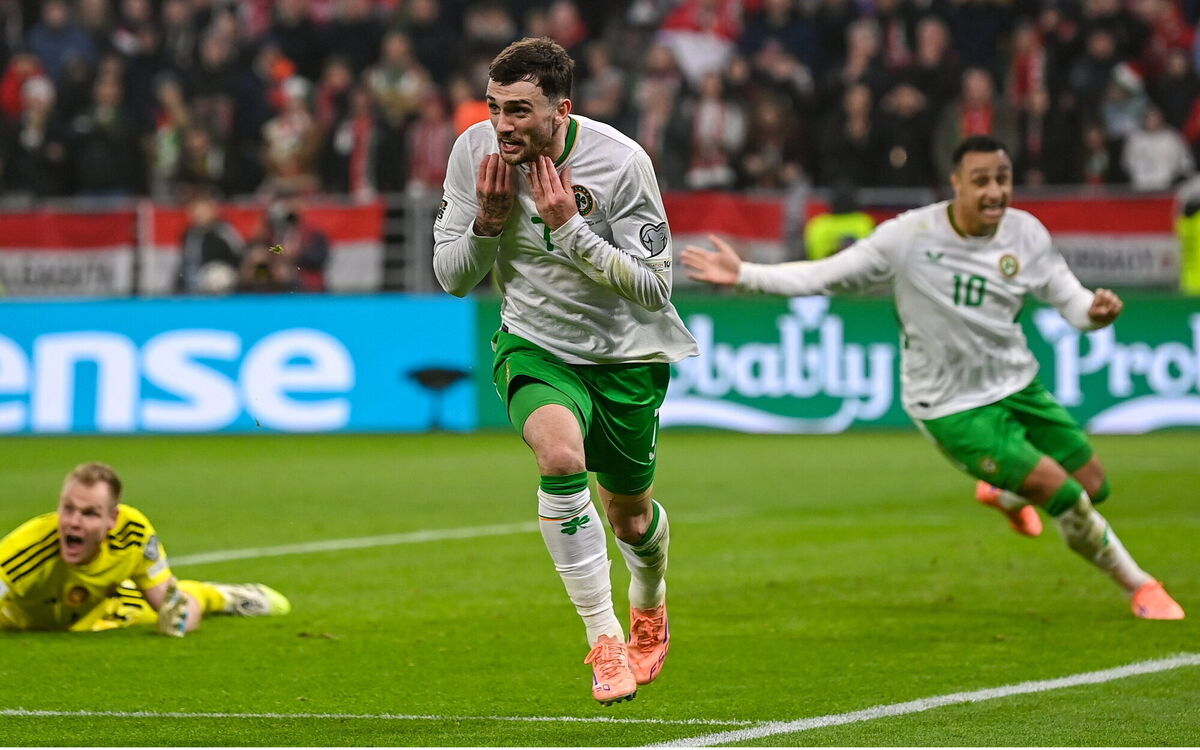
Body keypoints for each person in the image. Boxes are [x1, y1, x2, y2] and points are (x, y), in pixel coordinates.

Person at [682, 135, 1185, 622]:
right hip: (951, 405)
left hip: (1017, 383)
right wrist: (746, 274)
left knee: (1094, 484)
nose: (994, 192)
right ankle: (1141, 585)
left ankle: (1004, 493)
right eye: (981, 180)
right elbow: (826, 274)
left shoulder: (1026, 233)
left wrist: (1096, 312)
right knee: (1066, 495)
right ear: (956, 183)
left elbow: (1071, 301)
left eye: (1003, 180)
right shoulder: (910, 238)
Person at [433, 37, 698, 705]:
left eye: (520, 110)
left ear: (562, 109)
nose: (503, 126)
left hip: (625, 357)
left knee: (631, 520)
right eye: (495, 108)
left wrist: (569, 229)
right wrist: (489, 224)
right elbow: (452, 279)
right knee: (557, 457)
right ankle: (604, 639)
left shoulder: (621, 163)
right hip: (534, 344)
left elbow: (653, 288)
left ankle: (649, 604)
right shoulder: (473, 153)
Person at [0, 462, 291, 635]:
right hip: (19, 619)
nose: (73, 522)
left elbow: (166, 602)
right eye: (68, 509)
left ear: (112, 519)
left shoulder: (133, 533)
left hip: (103, 608)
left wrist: (177, 620)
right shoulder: (26, 549)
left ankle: (224, 597)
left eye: (89, 513)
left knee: (174, 611)